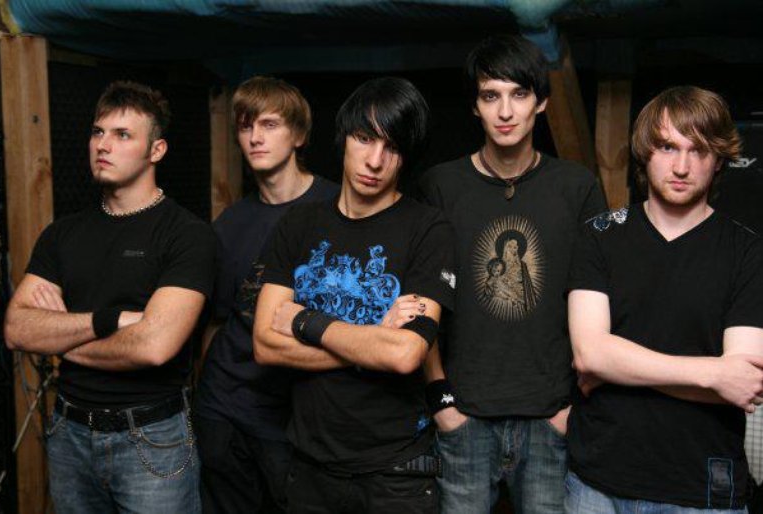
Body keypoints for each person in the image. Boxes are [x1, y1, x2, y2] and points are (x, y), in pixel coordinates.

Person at [4, 81, 215, 513]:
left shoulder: (188, 235)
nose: (103, 145)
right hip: (69, 434)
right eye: (98, 132)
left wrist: (60, 339)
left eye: (122, 135)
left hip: (151, 438)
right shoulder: (62, 234)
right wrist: (112, 320)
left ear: (156, 150)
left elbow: (155, 346)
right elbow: (17, 328)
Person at [417, 34, 606, 514]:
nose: (505, 111)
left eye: (519, 94)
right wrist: (441, 401)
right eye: (490, 95)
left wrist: (571, 406)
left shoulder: (577, 187)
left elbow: (599, 298)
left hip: (550, 418)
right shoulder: (441, 185)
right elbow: (421, 298)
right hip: (464, 417)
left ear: (541, 102)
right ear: (475, 106)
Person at [253, 76, 455, 514]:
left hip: (395, 472)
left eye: (392, 147)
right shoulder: (299, 224)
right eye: (364, 138)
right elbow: (265, 344)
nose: (375, 160)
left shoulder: (428, 229)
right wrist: (372, 338)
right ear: (344, 136)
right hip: (309, 467)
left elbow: (405, 355)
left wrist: (304, 321)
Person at [565, 85, 763, 512]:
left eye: (699, 150)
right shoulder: (599, 236)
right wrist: (712, 373)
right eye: (668, 147)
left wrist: (617, 369)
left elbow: (742, 383)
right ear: (645, 152)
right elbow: (590, 355)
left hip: (700, 488)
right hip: (598, 483)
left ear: (719, 160)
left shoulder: (748, 252)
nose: (681, 166)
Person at [194, 76, 339, 514]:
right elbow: (217, 323)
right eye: (245, 127)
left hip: (298, 416)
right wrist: (203, 398)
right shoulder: (229, 225)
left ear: (299, 135)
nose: (255, 137)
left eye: (269, 125)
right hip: (225, 408)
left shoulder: (338, 208)